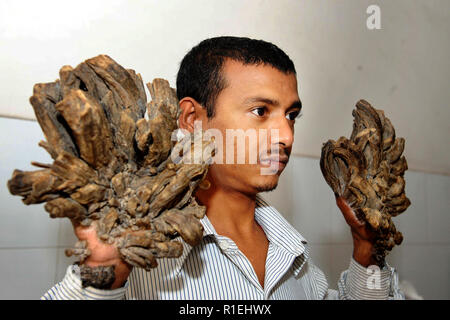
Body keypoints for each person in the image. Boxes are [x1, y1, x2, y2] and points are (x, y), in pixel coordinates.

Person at [42, 36, 403, 300]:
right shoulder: (140, 255)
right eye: (261, 111)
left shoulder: (292, 249)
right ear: (192, 118)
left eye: (291, 115)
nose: (287, 136)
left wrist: (366, 250)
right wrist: (103, 274)